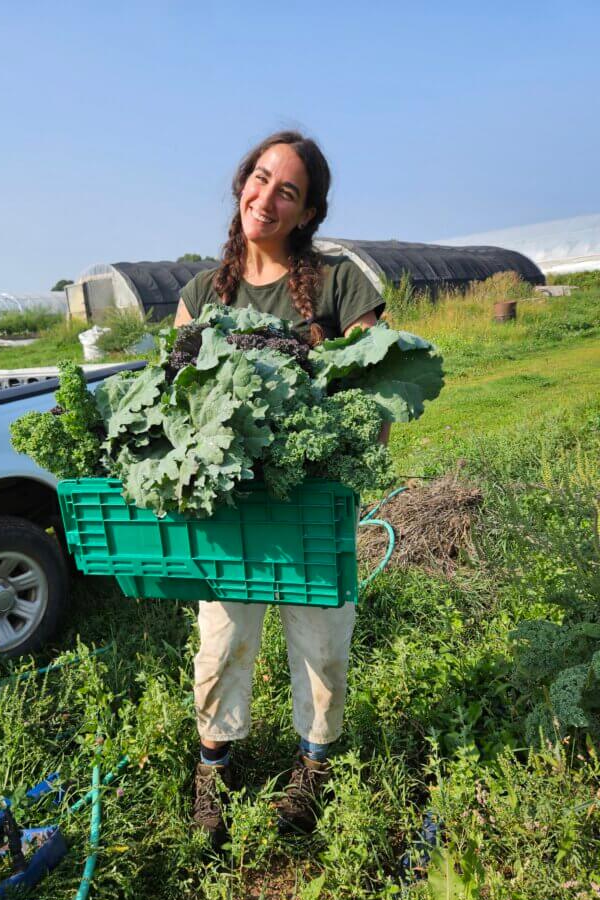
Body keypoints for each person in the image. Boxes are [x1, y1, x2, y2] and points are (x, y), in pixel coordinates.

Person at [175, 130, 387, 848]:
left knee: (321, 643)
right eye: (260, 179)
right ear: (243, 184)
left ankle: (314, 766)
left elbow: (380, 390)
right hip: (230, 511)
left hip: (309, 502)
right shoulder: (203, 293)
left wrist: (336, 447)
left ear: (307, 211)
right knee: (221, 642)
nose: (266, 197)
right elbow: (172, 402)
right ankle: (214, 768)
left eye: (287, 190)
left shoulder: (339, 284)